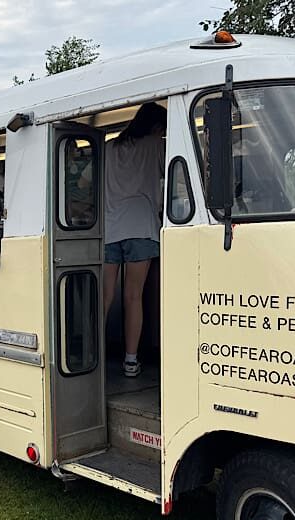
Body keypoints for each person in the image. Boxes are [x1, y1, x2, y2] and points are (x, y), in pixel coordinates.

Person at [103, 102, 167, 377]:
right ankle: (131, 361)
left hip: (108, 229)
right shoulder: (157, 144)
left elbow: (84, 184)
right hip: (142, 227)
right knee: (133, 296)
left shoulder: (108, 148)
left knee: (104, 296)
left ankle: (93, 356)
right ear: (157, 127)